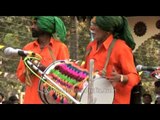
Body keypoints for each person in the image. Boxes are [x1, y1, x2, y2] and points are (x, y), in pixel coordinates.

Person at [83, 16, 140, 104]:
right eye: (91, 24)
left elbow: (135, 77)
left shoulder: (121, 48)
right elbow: (85, 71)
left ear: (107, 30)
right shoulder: (91, 46)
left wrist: (121, 78)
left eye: (96, 25)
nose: (91, 28)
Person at [16, 16, 70, 104]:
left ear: (45, 26)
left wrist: (45, 70)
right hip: (30, 100)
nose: (32, 27)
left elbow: (65, 79)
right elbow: (20, 77)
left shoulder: (61, 48)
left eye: (35, 24)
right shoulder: (27, 48)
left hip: (50, 101)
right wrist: (29, 70)